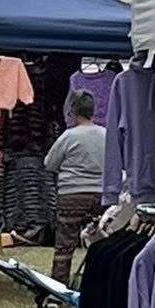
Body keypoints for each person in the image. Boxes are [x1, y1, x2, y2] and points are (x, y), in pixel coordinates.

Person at [45, 90, 106, 285]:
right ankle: (99, 283)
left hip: (71, 193)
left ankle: (59, 285)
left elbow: (49, 163)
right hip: (100, 194)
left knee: (65, 244)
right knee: (102, 241)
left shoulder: (68, 136)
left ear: (73, 112)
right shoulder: (106, 135)